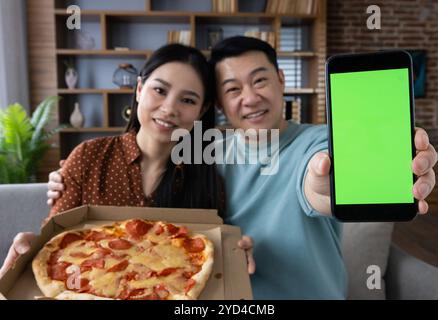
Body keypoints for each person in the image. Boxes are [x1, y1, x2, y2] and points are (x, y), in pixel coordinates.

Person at [46, 37, 437, 299]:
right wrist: (67, 178)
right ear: (219, 103)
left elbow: (318, 183)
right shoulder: (205, 154)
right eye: (233, 89)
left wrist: (333, 183)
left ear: (282, 80)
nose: (249, 99)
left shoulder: (318, 143)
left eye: (260, 80)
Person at [0, 43, 255, 280]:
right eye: (160, 90)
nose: (169, 108)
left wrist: (238, 251)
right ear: (140, 88)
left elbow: (216, 255)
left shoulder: (209, 177)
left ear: (201, 110)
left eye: (187, 100)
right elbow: (53, 244)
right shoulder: (88, 158)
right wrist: (30, 246)